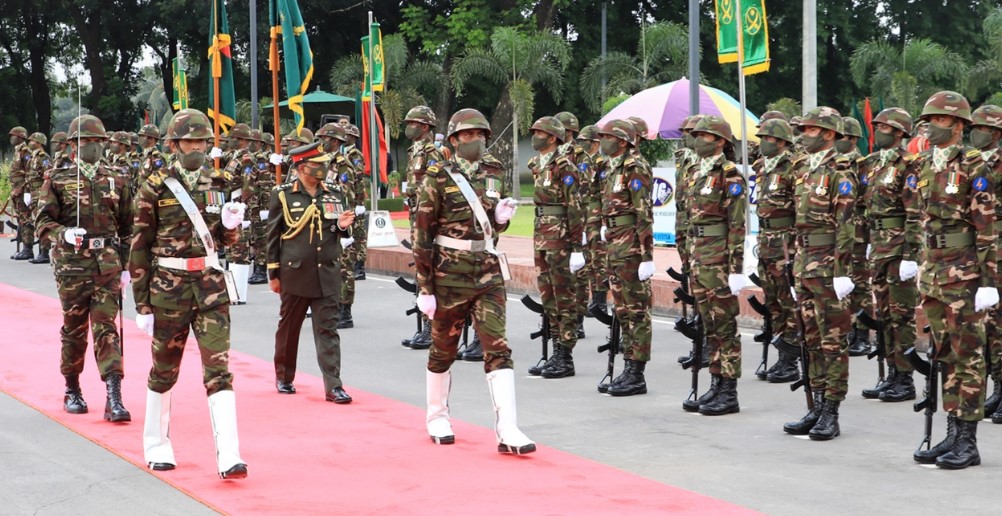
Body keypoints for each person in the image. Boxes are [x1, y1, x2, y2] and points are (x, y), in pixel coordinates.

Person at [129, 108, 248, 479]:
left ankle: (230, 455)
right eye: (190, 141)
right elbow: (140, 244)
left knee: (219, 371)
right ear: (174, 144)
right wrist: (142, 302)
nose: (196, 146)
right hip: (168, 289)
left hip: (210, 287)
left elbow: (224, 238)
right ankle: (157, 445)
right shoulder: (155, 185)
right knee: (164, 370)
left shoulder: (220, 180)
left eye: (202, 140)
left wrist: (231, 228)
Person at [412, 108, 534, 454]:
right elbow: (422, 234)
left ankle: (508, 428)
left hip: (487, 272)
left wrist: (501, 219)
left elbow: (492, 226)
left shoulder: (494, 170)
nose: (476, 140)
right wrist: (424, 287)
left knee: (497, 345)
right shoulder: (437, 175)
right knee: (443, 348)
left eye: (480, 134)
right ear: (453, 140)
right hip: (448, 275)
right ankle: (437, 416)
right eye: (468, 135)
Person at [906, 91, 997, 469]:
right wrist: (917, 262)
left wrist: (990, 280)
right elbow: (921, 220)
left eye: (938, 120)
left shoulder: (976, 166)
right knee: (943, 353)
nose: (930, 125)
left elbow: (988, 226)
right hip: (934, 271)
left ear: (958, 125)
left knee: (969, 355)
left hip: (966, 274)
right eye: (927, 120)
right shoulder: (924, 163)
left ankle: (968, 441)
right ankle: (952, 429)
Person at [35, 114, 132, 422]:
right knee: (75, 331)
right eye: (87, 142)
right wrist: (62, 233)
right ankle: (72, 388)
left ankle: (113, 395)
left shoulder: (117, 178)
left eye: (98, 142)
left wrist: (128, 267)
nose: (93, 147)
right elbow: (42, 222)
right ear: (74, 145)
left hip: (106, 266)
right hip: (72, 267)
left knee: (107, 329)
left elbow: (129, 227)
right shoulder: (58, 178)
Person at [782, 107, 855, 441]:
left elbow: (846, 224)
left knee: (832, 340)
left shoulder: (840, 170)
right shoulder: (800, 169)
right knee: (810, 338)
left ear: (828, 134)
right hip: (805, 262)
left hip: (829, 265)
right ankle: (815, 404)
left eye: (810, 130)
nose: (803, 135)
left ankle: (832, 411)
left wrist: (842, 271)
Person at [267, 142, 355, 403]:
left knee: (328, 329)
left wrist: (342, 226)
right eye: (318, 165)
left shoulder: (334, 193)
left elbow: (342, 231)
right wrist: (273, 274)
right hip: (295, 273)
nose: (323, 168)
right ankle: (284, 376)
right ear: (302, 167)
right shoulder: (283, 194)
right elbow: (273, 237)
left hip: (326, 272)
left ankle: (333, 385)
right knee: (289, 328)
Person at [682, 116, 748, 414]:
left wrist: (736, 269)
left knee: (725, 326)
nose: (698, 140)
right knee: (709, 325)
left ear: (721, 141)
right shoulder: (696, 171)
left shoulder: (730, 175)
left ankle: (729, 391)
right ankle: (716, 383)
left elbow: (737, 226)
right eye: (696, 135)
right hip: (699, 256)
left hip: (720, 259)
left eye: (705, 136)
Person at [858, 107, 920, 402]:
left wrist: (911, 254)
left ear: (899, 132)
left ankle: (905, 378)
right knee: (883, 312)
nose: (878, 130)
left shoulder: (909, 164)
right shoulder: (871, 163)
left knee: (901, 315)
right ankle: (891, 374)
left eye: (884, 127)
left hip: (898, 247)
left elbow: (914, 213)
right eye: (877, 125)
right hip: (879, 245)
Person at [596, 119, 654, 396]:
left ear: (622, 141)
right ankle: (627, 366)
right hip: (615, 244)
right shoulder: (611, 168)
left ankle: (636, 372)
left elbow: (644, 213)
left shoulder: (634, 167)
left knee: (636, 310)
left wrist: (647, 255)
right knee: (622, 308)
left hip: (631, 245)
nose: (602, 140)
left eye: (607, 136)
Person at [526, 115, 585, 379]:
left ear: (552, 137)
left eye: (539, 132)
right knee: (548, 297)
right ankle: (554, 350)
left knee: (564, 297)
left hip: (560, 240)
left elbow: (575, 208)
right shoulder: (539, 165)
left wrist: (577, 247)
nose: (534, 135)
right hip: (542, 238)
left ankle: (566, 355)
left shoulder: (564, 166)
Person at [751, 118, 800, 383]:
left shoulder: (793, 168)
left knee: (788, 300)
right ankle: (780, 348)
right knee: (772, 300)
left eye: (768, 138)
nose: (763, 143)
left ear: (782, 141)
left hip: (785, 241)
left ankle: (790, 359)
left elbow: (800, 208)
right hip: (766, 238)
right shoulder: (762, 167)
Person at [968, 104, 1002, 421]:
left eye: (979, 127)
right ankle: (998, 386)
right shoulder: (973, 164)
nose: (973, 132)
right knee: (989, 325)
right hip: (984, 251)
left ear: (993, 132)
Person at [400, 106, 445, 351]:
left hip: (427, 219)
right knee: (421, 269)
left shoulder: (432, 152)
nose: (409, 127)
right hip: (415, 216)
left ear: (425, 127)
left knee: (429, 270)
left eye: (413, 123)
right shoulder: (413, 151)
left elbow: (438, 186)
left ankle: (431, 328)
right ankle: (425, 327)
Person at [837, 118, 873, 357]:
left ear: (852, 139)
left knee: (859, 283)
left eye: (843, 137)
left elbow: (868, 199)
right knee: (843, 280)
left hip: (859, 230)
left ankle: (862, 333)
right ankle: (848, 328)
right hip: (841, 230)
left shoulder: (863, 165)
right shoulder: (835, 164)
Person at [554, 111, 591, 339]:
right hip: (554, 225)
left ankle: (577, 318)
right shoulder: (549, 155)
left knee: (577, 272)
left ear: (569, 132)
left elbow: (583, 190)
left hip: (576, 217)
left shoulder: (579, 156)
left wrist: (583, 225)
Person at [218, 123, 257, 305]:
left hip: (238, 207)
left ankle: (239, 294)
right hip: (231, 205)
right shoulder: (235, 157)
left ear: (241, 140)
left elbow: (248, 187)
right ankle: (232, 291)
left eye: (232, 138)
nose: (229, 141)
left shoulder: (246, 159)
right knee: (232, 251)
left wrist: (241, 208)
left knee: (239, 251)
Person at [25, 132, 52, 264]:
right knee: (36, 223)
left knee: (42, 223)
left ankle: (44, 253)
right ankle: (40, 251)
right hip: (33, 194)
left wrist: (44, 195)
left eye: (32, 141)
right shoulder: (32, 157)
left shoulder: (43, 157)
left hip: (41, 195)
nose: (30, 143)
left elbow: (47, 176)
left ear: (39, 143)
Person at [9, 126, 35, 260]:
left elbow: (29, 172)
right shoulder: (17, 151)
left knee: (26, 219)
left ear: (20, 137)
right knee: (21, 219)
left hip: (23, 190)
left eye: (13, 135)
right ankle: (24, 247)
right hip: (16, 191)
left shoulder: (25, 152)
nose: (11, 138)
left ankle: (28, 248)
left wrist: (26, 191)